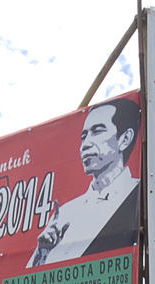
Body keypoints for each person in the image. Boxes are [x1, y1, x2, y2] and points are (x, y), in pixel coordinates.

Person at [28, 97, 141, 266]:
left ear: (124, 139)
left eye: (97, 131)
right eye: (83, 136)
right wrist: (42, 254)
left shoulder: (140, 195)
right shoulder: (65, 215)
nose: (85, 145)